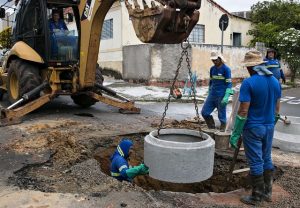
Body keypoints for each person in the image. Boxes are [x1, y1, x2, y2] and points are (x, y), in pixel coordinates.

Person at [230, 50, 281, 205]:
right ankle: (267, 192)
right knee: (266, 157)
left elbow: (244, 109)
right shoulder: (274, 81)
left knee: (255, 161)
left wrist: (236, 131)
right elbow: (277, 107)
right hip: (269, 126)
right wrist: (273, 121)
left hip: (253, 128)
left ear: (250, 67)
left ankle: (256, 197)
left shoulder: (249, 83)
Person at [201, 51, 234, 131]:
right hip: (212, 94)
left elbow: (229, 84)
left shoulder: (226, 69)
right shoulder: (212, 69)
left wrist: (226, 96)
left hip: (221, 95)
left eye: (216, 60)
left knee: (221, 116)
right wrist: (209, 90)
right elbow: (211, 81)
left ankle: (222, 131)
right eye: (213, 60)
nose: (214, 61)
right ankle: (211, 128)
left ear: (220, 58)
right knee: (204, 112)